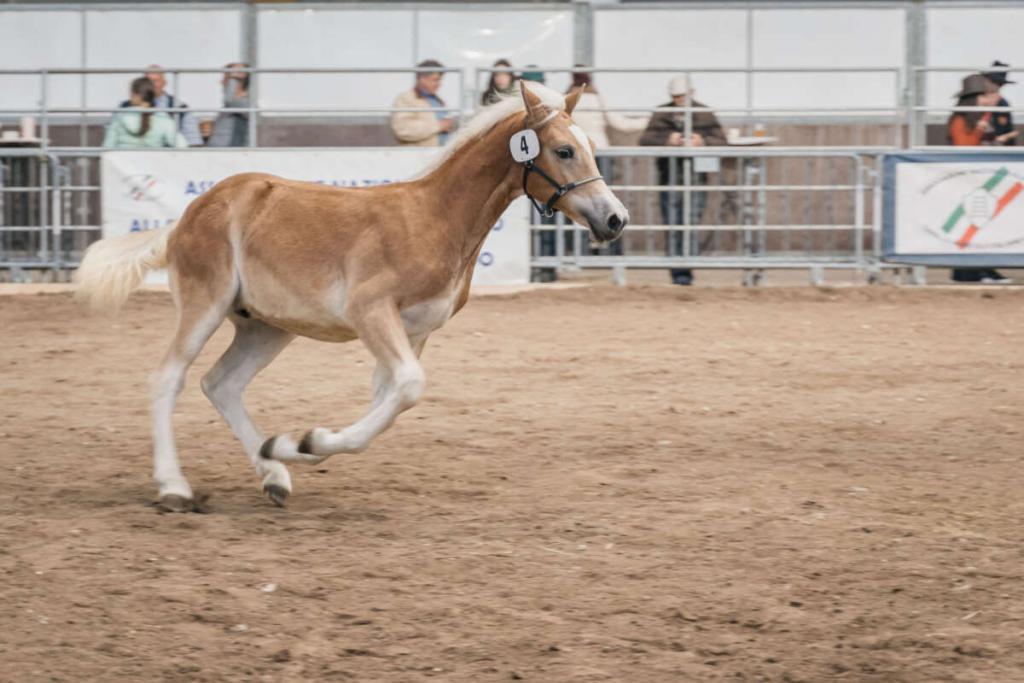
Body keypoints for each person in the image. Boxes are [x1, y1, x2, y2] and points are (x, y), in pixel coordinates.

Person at [639, 75, 726, 286]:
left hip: (696, 178)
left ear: (691, 93)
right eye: (676, 97)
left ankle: (687, 267)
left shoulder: (704, 113)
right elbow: (645, 140)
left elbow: (722, 141)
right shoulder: (662, 114)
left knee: (690, 221)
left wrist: (702, 141)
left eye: (683, 96)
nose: (680, 100)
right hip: (670, 176)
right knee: (673, 222)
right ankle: (679, 272)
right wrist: (667, 139)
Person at [948, 74, 1012, 284]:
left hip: (976, 178)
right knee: (972, 222)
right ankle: (971, 270)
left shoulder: (974, 119)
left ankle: (978, 269)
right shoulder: (961, 121)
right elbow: (964, 146)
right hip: (966, 178)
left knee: (980, 223)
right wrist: (980, 132)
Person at [120, 65, 202, 146]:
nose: (151, 85)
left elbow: (193, 142)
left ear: (164, 83)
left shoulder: (181, 108)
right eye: (148, 81)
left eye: (156, 80)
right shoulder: (124, 106)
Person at [103, 77, 187, 149]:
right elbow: (182, 146)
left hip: (120, 165)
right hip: (153, 165)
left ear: (133, 95)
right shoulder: (163, 118)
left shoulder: (119, 116)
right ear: (152, 96)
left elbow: (107, 146)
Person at [391, 59, 455, 147]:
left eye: (440, 80)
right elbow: (403, 129)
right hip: (420, 156)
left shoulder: (437, 100)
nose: (439, 84)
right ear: (422, 79)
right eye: (435, 80)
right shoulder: (405, 99)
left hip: (440, 154)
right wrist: (438, 126)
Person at [207, 63, 251, 147]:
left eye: (226, 76)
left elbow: (230, 100)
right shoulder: (234, 101)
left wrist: (233, 79)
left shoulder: (245, 101)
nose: (221, 81)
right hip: (221, 150)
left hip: (230, 150)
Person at [983, 60, 1018, 146]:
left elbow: (1005, 131)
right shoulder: (977, 101)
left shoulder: (1003, 104)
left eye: (998, 83)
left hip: (1000, 149)